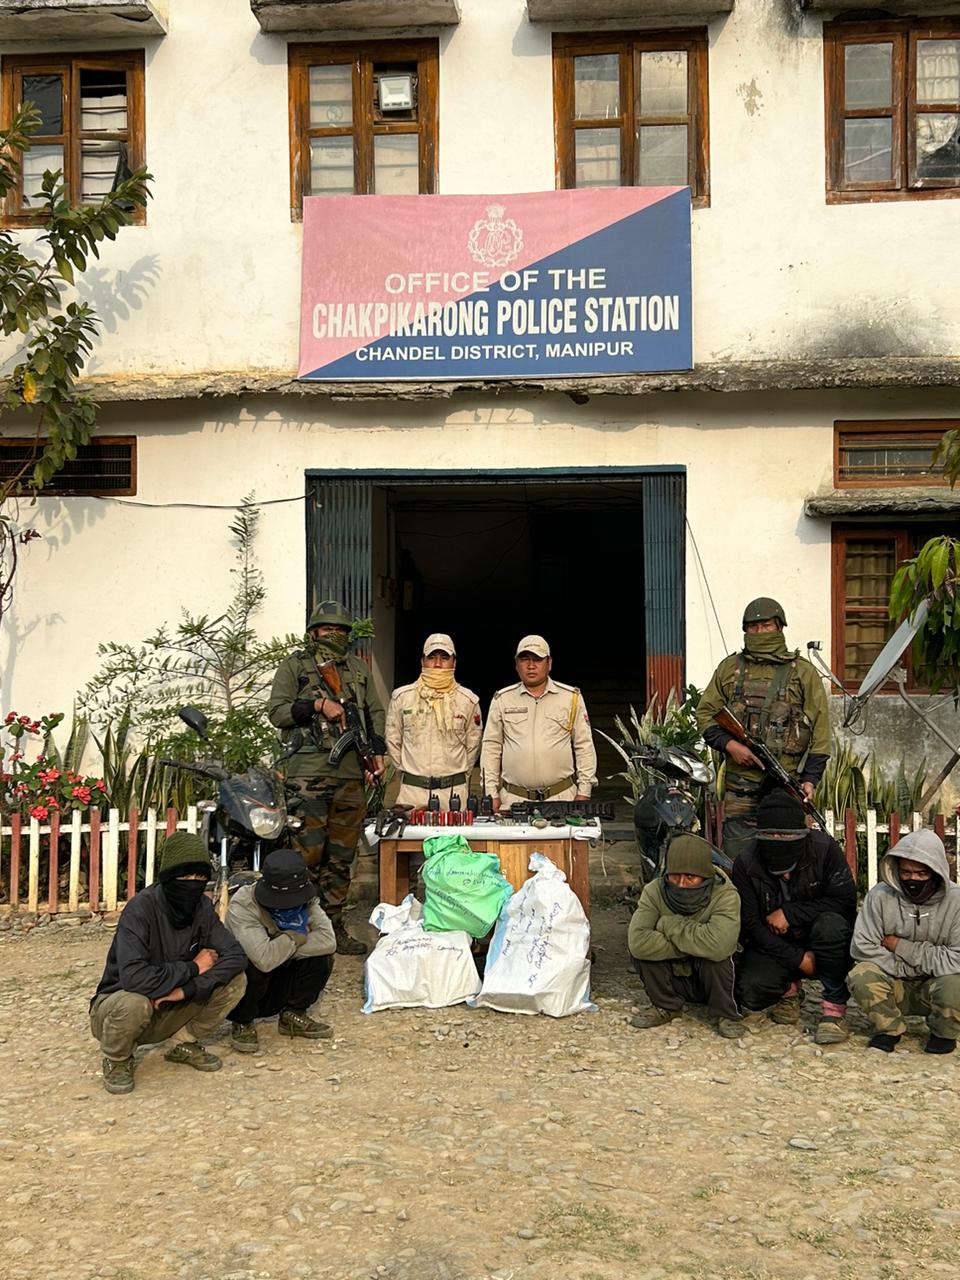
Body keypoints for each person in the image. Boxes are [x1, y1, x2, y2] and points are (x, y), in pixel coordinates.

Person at [267, 599, 386, 956]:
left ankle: (331, 926)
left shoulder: (359, 671)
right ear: (313, 632)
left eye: (340, 630)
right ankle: (296, 929)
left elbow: (375, 710)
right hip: (306, 775)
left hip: (350, 776)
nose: (334, 635)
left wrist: (375, 749)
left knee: (340, 857)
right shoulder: (294, 667)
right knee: (305, 856)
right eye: (327, 629)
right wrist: (317, 705)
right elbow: (277, 712)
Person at [89, 832, 248, 1095]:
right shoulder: (140, 909)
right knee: (133, 1001)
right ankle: (117, 1059)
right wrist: (193, 968)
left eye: (199, 878)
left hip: (170, 1001)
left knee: (235, 981)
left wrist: (185, 990)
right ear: (167, 877)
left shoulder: (201, 908)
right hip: (119, 1008)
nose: (192, 884)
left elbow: (235, 956)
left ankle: (181, 1042)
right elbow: (134, 979)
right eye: (185, 877)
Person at [696, 597, 830, 859]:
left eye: (766, 626)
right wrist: (731, 746)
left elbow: (821, 732)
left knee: (785, 855)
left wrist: (811, 779)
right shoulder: (730, 668)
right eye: (752, 627)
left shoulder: (802, 672)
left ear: (780, 627)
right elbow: (705, 714)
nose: (759, 632)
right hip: (740, 786)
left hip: (784, 782)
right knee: (738, 857)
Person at [732, 786, 857, 1044]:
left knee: (832, 926)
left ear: (802, 834)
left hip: (818, 934)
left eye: (784, 834)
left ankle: (834, 1007)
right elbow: (750, 925)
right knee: (751, 992)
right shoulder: (746, 862)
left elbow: (844, 902)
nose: (777, 839)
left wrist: (791, 913)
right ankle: (789, 991)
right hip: (773, 941)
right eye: (771, 834)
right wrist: (797, 958)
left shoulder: (825, 850)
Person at [848, 830, 960, 1055]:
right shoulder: (879, 896)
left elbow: (957, 957)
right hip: (893, 980)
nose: (913, 879)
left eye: (921, 873)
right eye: (906, 872)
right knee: (860, 974)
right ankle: (889, 1028)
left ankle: (943, 1031)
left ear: (936, 872)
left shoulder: (956, 901)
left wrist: (900, 947)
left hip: (935, 984)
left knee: (956, 983)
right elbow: (862, 947)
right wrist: (904, 968)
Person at [627, 833, 744, 1039]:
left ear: (705, 876)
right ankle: (666, 1006)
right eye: (675, 875)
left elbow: (720, 946)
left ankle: (726, 1014)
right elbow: (638, 942)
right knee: (642, 956)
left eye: (690, 877)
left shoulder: (725, 894)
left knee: (718, 959)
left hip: (708, 975)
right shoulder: (654, 891)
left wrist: (667, 924)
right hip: (675, 973)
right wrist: (698, 942)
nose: (681, 884)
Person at [225, 848, 336, 1052]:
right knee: (248, 963)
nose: (289, 907)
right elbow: (263, 959)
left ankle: (293, 1014)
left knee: (322, 958)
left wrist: (280, 948)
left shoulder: (307, 899)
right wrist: (296, 936)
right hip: (253, 986)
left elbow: (328, 941)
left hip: (280, 978)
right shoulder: (243, 904)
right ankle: (242, 1022)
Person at [480, 634, 597, 811]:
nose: (531, 665)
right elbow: (491, 747)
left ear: (549, 663)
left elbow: (584, 746)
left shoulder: (571, 698)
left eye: (537, 659)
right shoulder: (502, 699)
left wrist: (584, 790)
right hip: (513, 799)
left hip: (562, 797)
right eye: (524, 659)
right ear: (516, 665)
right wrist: (491, 793)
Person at [385, 632, 482, 812]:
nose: (438, 664)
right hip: (412, 793)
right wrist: (410, 775)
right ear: (423, 661)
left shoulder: (468, 701)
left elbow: (472, 749)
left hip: (453, 795)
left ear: (454, 662)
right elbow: (393, 742)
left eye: (444, 658)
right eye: (432, 657)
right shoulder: (402, 698)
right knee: (410, 840)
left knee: (453, 841)